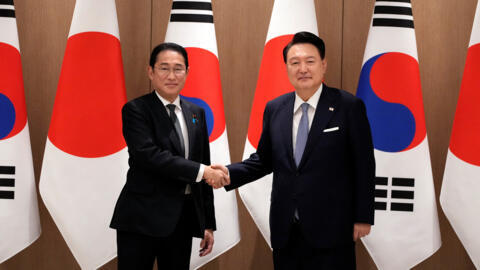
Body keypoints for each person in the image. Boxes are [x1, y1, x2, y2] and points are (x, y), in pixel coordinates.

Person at [208, 32, 375, 269]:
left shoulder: (348, 106)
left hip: (333, 229)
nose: (302, 68)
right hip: (286, 229)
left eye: (310, 61)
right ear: (286, 67)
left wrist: (363, 216)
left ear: (323, 65)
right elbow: (263, 160)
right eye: (295, 62)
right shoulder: (276, 108)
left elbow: (364, 165)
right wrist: (228, 173)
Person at [110, 42, 228, 270]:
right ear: (151, 72)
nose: (171, 75)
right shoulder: (136, 110)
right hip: (140, 220)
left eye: (178, 68)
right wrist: (204, 171)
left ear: (187, 72)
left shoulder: (196, 113)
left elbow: (202, 162)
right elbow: (150, 156)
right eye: (164, 68)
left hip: (181, 220)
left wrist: (207, 223)